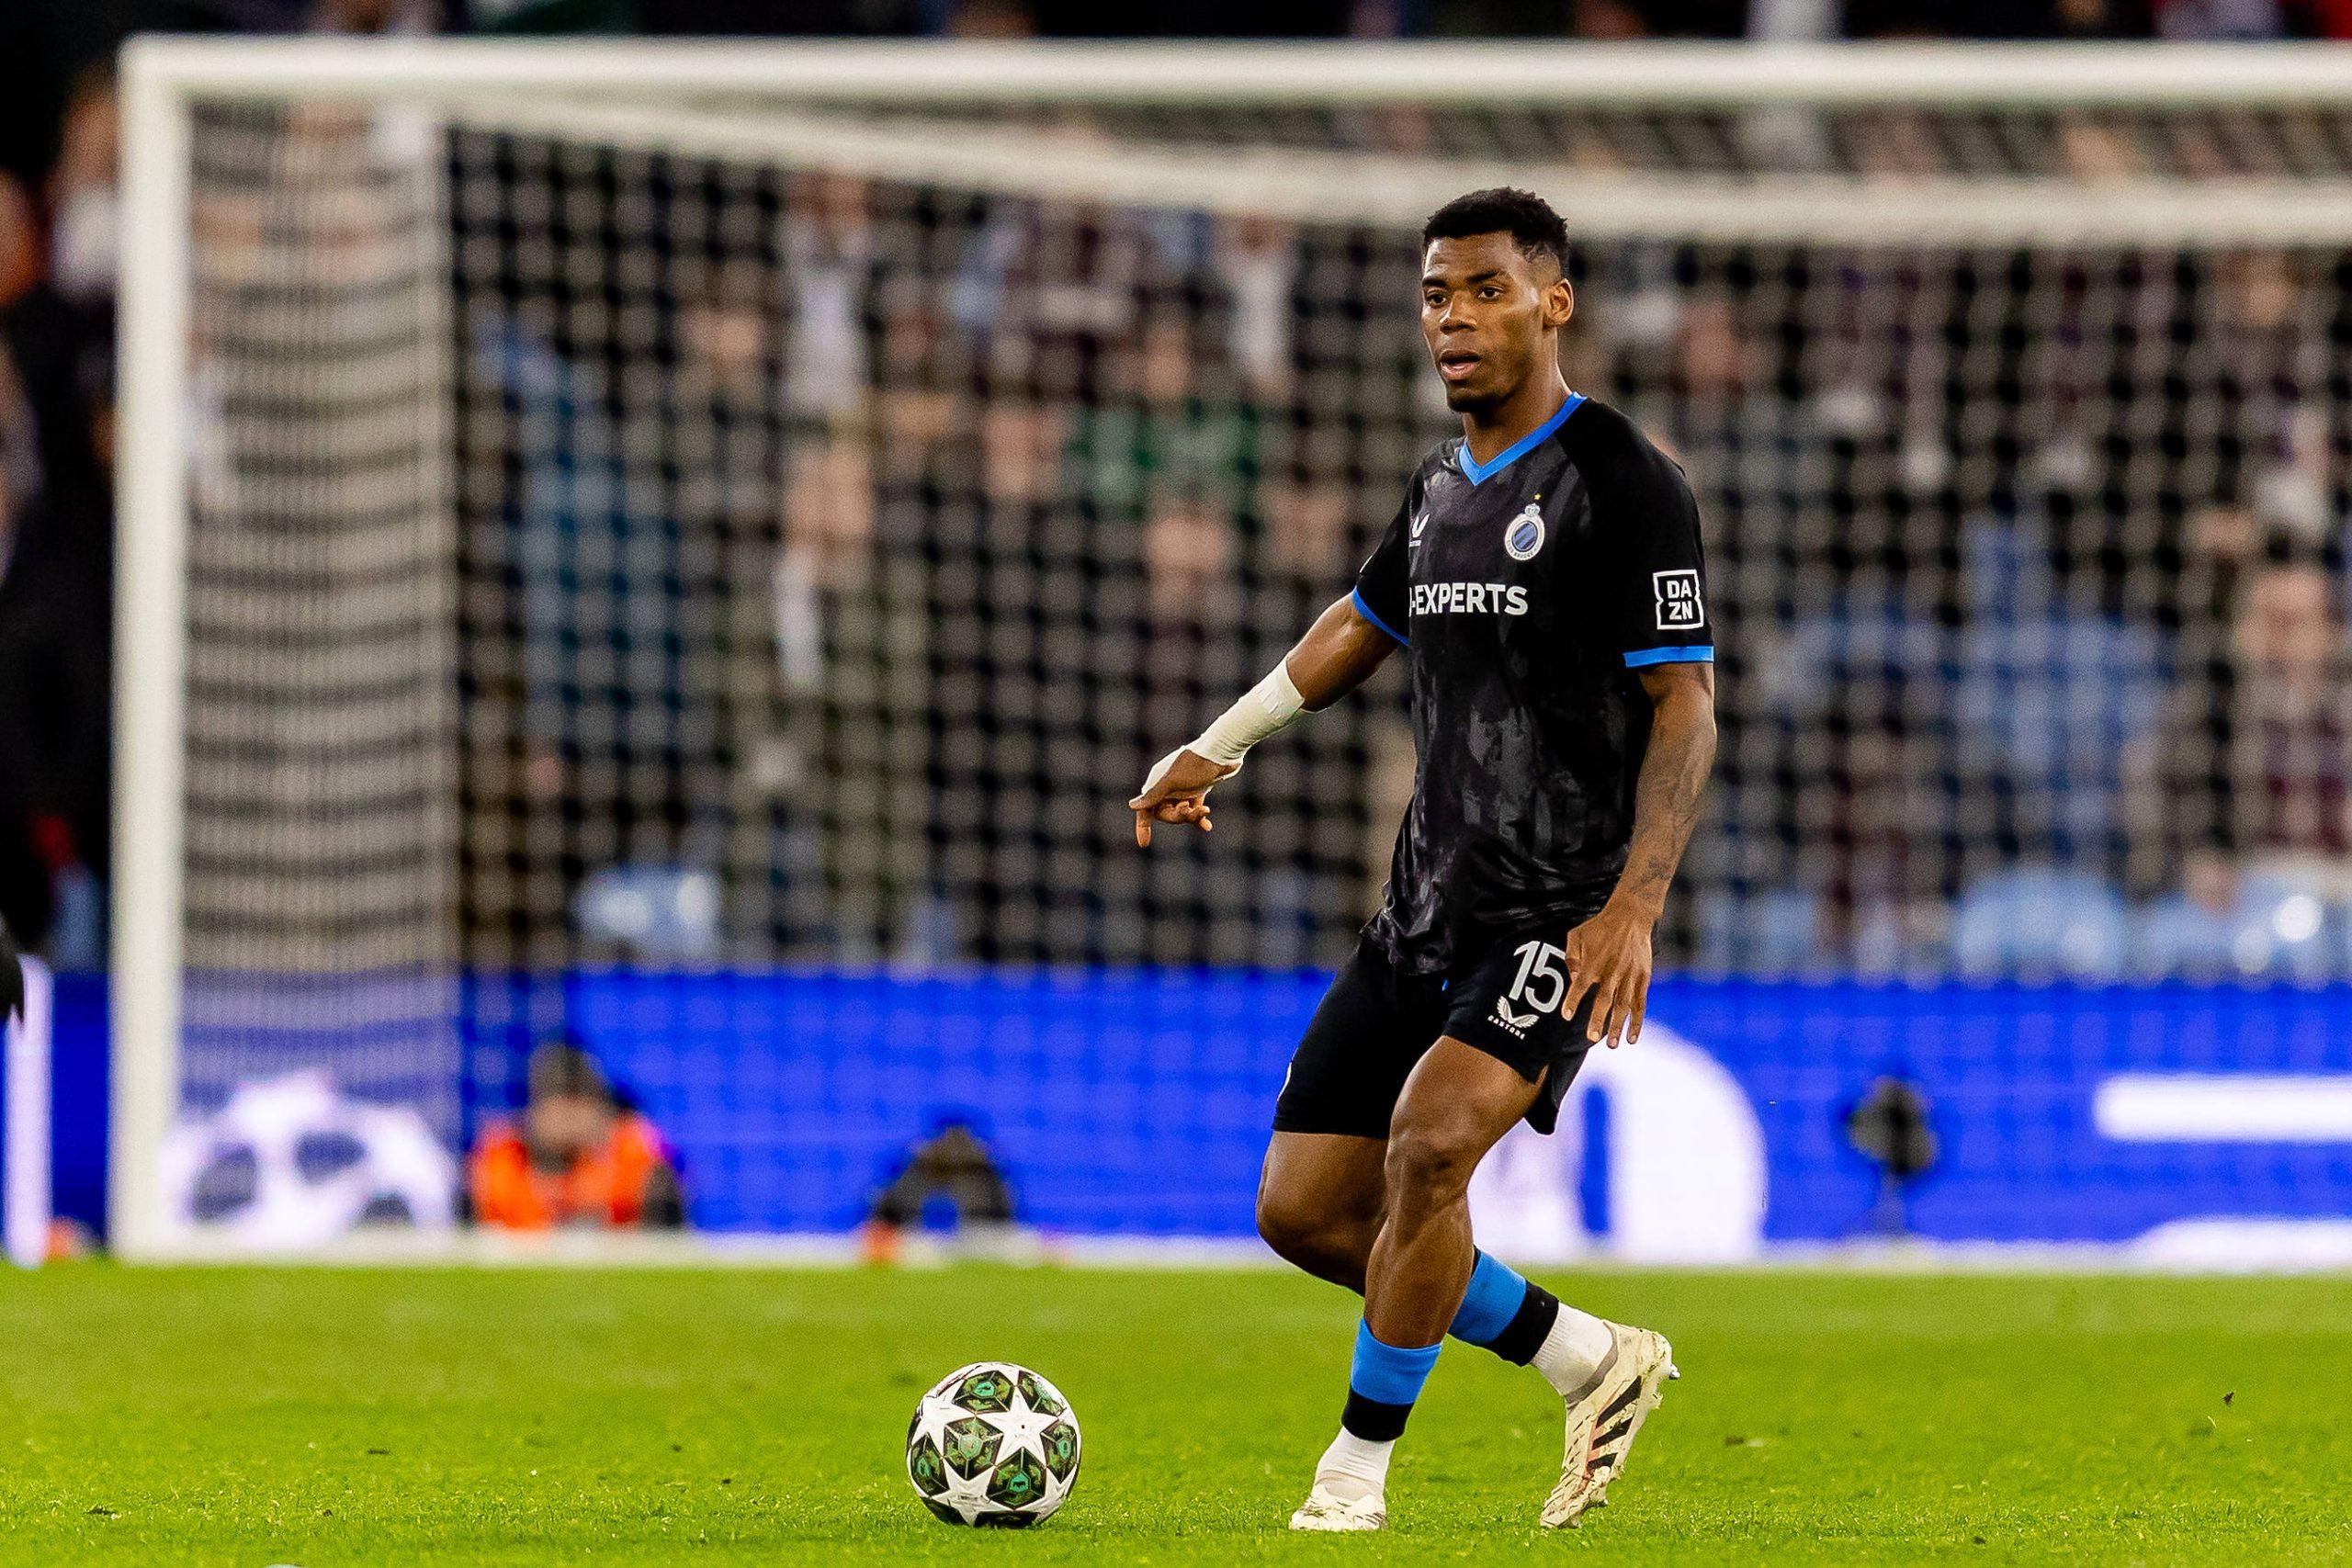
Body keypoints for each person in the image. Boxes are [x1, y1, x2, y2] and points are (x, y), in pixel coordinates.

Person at [1129, 187, 1717, 1532]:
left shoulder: (1624, 480)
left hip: (1553, 916)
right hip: (1421, 911)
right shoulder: (1441, 484)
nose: (1455, 319)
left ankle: (1354, 1474)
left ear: (1553, 301)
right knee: (1302, 1210)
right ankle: (1588, 1357)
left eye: (1485, 291)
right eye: (1437, 297)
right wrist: (1221, 743)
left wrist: (1633, 906)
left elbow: (1687, 706)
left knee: (1430, 1148)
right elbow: (1364, 614)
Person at [468, 1042, 685, 1232]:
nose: (568, 1118)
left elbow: (665, 1244)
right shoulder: (501, 1160)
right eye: (557, 1101)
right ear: (534, 1111)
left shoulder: (636, 1157)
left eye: (578, 1101)